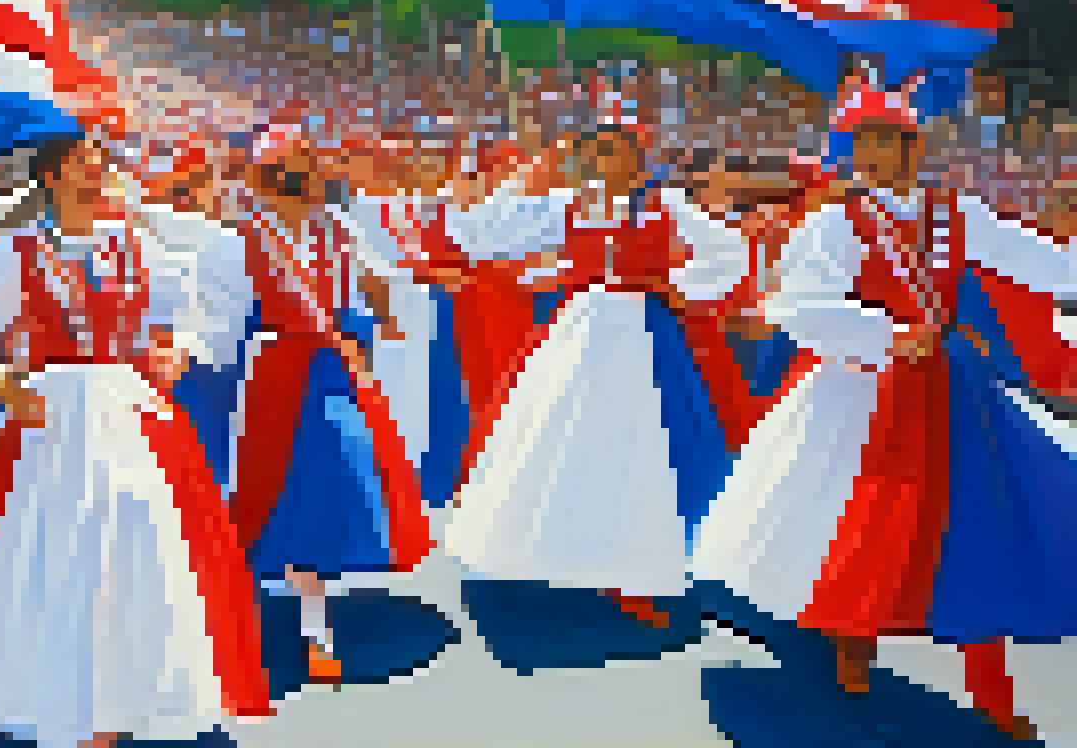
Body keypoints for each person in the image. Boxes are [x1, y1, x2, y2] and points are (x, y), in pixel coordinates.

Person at [691, 71, 1077, 743]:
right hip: (865, 387)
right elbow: (797, 305)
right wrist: (888, 335)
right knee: (863, 519)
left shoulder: (955, 213)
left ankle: (989, 685)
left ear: (912, 146)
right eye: (863, 140)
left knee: (977, 522)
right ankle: (852, 634)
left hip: (950, 389)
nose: (873, 154)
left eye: (887, 140)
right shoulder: (836, 220)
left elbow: (1039, 263)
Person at [0, 130, 272, 748]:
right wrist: (1, 387)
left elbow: (188, 307)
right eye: (79, 162)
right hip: (49, 422)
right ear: (51, 175)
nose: (93, 170)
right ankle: (70, 707)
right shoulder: (17, 250)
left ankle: (117, 697)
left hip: (131, 417)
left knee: (136, 552)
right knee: (57, 556)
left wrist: (177, 350)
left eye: (98, 160)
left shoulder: (133, 244)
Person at [442, 99, 748, 628]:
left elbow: (730, 253)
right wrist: (513, 181)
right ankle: (564, 557)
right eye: (595, 150)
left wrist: (677, 286)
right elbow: (480, 235)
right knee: (563, 439)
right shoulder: (566, 205)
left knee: (646, 448)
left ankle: (638, 568)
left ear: (638, 156)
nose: (603, 160)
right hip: (580, 335)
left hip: (646, 338)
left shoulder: (664, 207)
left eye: (615, 150)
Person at [185, 135, 429, 682]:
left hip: (329, 375)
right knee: (266, 496)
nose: (314, 180)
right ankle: (279, 619)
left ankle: (310, 621)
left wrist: (376, 322)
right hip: (268, 382)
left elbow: (367, 287)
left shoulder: (336, 231)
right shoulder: (236, 241)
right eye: (299, 172)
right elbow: (220, 331)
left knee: (333, 482)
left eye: (311, 169)